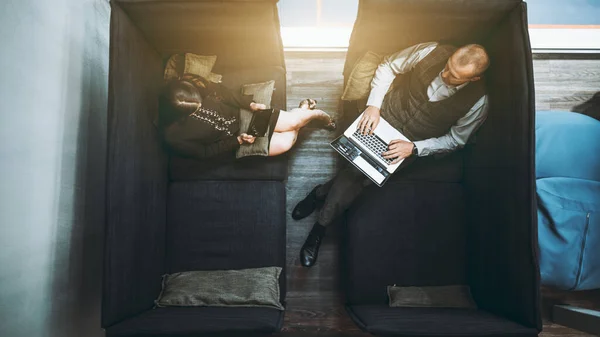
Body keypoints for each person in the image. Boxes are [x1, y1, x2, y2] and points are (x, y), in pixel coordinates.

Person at [292, 42, 491, 267]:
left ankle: (319, 204)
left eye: (454, 76)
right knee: (356, 175)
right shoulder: (430, 51)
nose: (444, 74)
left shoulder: (479, 102)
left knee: (356, 175)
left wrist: (414, 148)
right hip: (382, 118)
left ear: (473, 79)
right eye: (446, 66)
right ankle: (320, 223)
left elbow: (456, 139)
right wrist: (373, 106)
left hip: (407, 145)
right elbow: (388, 65)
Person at [160, 74, 335, 159]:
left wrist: (250, 105)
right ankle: (304, 107)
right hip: (235, 139)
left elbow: (226, 95)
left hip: (245, 114)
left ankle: (319, 115)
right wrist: (238, 140)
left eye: (200, 104)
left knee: (294, 123)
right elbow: (205, 153)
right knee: (287, 142)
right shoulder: (173, 136)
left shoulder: (191, 84)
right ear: (177, 115)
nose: (199, 109)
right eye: (193, 111)